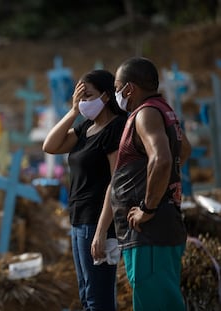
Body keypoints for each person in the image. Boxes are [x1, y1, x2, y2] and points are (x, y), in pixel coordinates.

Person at [91, 57, 192, 311]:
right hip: (159, 229)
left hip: (150, 233)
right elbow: (184, 150)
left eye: (117, 87)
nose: (116, 94)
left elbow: (162, 159)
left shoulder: (146, 113)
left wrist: (148, 206)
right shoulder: (163, 110)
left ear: (129, 89)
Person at [42, 69, 127, 311]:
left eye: (88, 95)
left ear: (106, 96)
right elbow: (50, 145)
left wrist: (102, 232)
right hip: (79, 220)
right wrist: (72, 111)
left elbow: (115, 181)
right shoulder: (85, 128)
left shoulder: (115, 127)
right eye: (80, 96)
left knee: (98, 299)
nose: (84, 102)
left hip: (97, 222)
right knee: (86, 296)